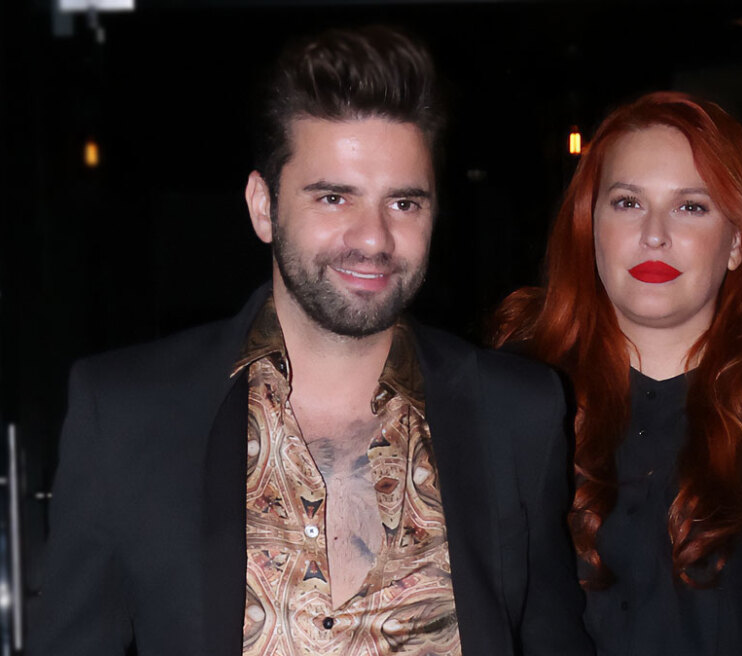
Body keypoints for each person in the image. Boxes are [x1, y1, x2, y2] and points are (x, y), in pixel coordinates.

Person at [29, 26, 590, 656]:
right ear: (263, 206)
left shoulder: (517, 414)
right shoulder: (128, 414)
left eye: (404, 203)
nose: (374, 238)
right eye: (334, 197)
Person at [494, 91, 742, 655]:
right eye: (628, 202)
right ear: (590, 228)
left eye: (691, 207)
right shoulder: (506, 414)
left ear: (737, 241)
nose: (654, 234)